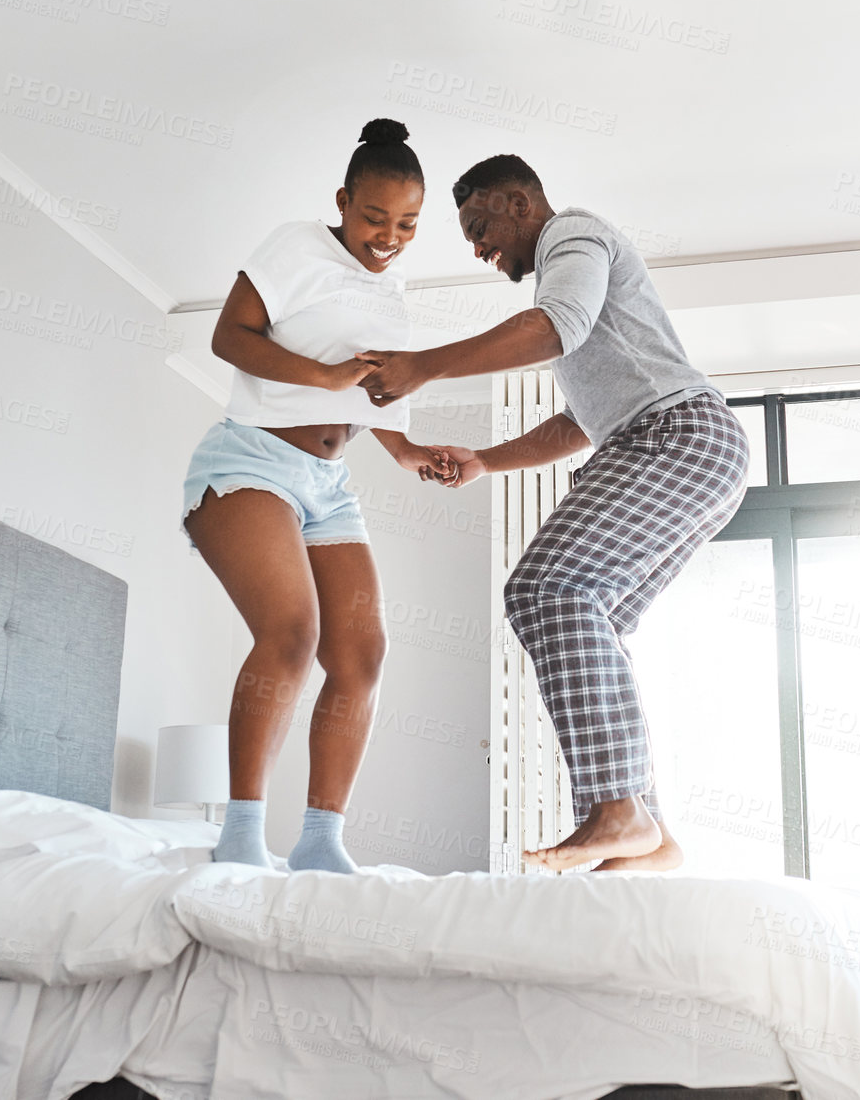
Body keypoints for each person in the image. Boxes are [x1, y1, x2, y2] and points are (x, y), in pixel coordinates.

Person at [356, 154, 749, 873]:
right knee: (595, 619)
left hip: (675, 436)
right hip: (687, 444)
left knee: (546, 588)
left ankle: (618, 807)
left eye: (479, 227)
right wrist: (483, 461)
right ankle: (650, 834)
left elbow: (554, 327)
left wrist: (422, 364)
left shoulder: (573, 236)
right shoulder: (575, 288)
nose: (478, 249)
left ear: (516, 201)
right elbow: (579, 421)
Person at [184, 119, 451, 874]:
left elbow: (376, 401)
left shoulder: (394, 289)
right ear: (342, 200)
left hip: (327, 484)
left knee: (361, 653)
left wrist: (409, 450)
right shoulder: (297, 245)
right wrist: (326, 377)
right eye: (374, 217)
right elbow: (229, 337)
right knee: (292, 632)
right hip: (250, 462)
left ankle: (320, 841)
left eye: (406, 224)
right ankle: (239, 834)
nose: (388, 236)